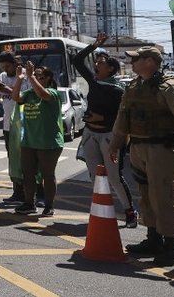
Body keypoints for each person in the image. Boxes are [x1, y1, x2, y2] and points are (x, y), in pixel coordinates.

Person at [109, 46, 174, 267]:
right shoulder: (134, 86)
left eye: (136, 59)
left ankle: (170, 248)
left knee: (163, 196)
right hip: (138, 148)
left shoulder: (169, 87)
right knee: (145, 196)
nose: (132, 62)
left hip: (161, 149)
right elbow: (122, 116)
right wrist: (116, 144)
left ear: (150, 62)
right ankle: (153, 240)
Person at [73, 32, 136, 228]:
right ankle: (102, 212)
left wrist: (102, 118)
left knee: (115, 177)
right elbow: (77, 60)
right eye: (97, 61)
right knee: (95, 177)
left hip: (110, 137)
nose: (96, 64)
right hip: (91, 135)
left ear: (110, 69)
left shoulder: (118, 90)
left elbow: (124, 117)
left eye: (100, 62)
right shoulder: (94, 81)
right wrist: (94, 46)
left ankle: (130, 213)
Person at [11, 62, 64, 217]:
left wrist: (31, 76)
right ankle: (29, 204)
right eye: (35, 75)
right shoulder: (29, 93)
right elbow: (15, 97)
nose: (36, 77)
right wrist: (20, 79)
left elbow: (42, 95)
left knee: (48, 174)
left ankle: (49, 205)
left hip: (48, 143)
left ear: (47, 79)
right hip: (29, 141)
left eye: (40, 76)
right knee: (28, 174)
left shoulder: (52, 93)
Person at [0, 52, 28, 202]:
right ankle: (17, 192)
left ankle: (35, 192)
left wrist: (7, 90)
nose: (5, 69)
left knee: (28, 160)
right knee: (13, 160)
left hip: (25, 124)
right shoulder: (2, 77)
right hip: (8, 126)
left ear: (15, 63)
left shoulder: (26, 76)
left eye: (7, 66)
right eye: (2, 67)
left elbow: (25, 97)